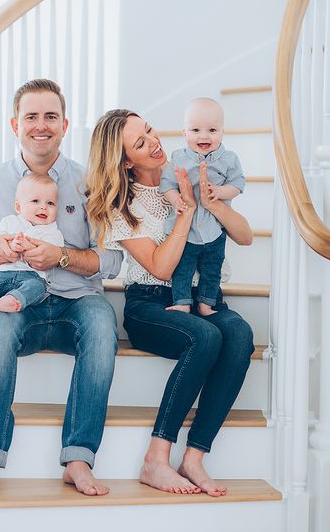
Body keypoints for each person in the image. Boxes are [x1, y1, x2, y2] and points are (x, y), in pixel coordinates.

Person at [0, 79, 122, 497]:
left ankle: (78, 458)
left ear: (65, 124)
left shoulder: (90, 181)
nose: (40, 125)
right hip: (16, 302)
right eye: (31, 117)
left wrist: (60, 257)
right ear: (15, 124)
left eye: (50, 116)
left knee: (102, 326)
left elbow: (113, 260)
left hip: (75, 302)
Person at [85, 109, 254, 497]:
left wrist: (214, 204)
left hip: (203, 297)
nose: (154, 141)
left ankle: (193, 457)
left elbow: (244, 237)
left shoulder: (189, 165)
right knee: (205, 337)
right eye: (140, 142)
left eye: (149, 130)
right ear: (125, 160)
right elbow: (161, 269)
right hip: (151, 303)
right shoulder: (121, 204)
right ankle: (156, 460)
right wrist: (186, 213)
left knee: (240, 334)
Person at [160, 97, 245, 315]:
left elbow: (237, 184)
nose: (204, 136)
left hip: (214, 229)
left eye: (212, 130)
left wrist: (220, 192)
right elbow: (167, 184)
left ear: (222, 132)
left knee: (212, 269)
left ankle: (206, 303)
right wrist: (175, 199)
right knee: (183, 268)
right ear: (184, 133)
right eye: (195, 130)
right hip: (186, 231)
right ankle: (182, 301)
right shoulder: (178, 158)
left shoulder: (229, 159)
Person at [0, 173, 64, 333]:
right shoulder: (9, 222)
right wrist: (11, 244)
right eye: (35, 201)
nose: (43, 207)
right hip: (4, 273)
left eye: (50, 203)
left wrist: (29, 247)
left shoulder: (53, 231)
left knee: (39, 287)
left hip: (32, 276)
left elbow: (53, 254)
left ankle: (12, 300)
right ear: (19, 207)